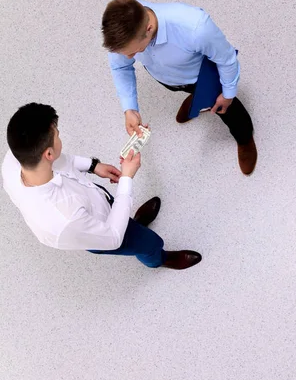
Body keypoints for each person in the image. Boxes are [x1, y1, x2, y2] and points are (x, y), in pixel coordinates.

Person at [2, 103, 201, 270]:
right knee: (148, 243)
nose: (60, 137)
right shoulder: (65, 218)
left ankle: (133, 222)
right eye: (57, 135)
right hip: (99, 232)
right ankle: (158, 259)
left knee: (119, 213)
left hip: (96, 203)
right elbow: (113, 237)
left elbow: (62, 161)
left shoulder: (17, 158)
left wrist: (93, 166)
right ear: (48, 154)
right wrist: (127, 178)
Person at [102, 0, 258, 175]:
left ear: (148, 29)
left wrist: (228, 94)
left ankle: (244, 137)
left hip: (201, 77)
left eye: (135, 52)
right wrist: (129, 108)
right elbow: (120, 66)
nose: (129, 58)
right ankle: (196, 100)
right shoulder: (125, 32)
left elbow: (227, 60)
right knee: (188, 91)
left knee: (228, 110)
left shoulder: (196, 28)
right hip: (169, 78)